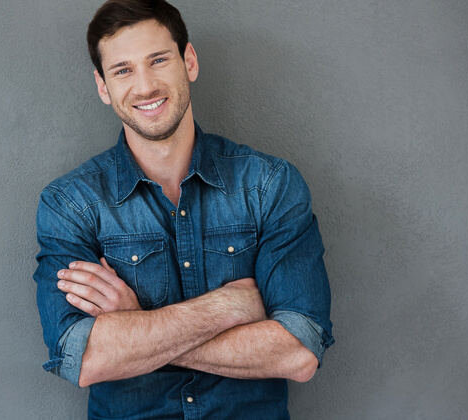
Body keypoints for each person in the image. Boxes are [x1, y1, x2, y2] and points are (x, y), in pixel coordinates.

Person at [33, 0, 334, 418]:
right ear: (103, 87)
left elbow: (298, 352)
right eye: (122, 70)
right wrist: (227, 308)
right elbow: (83, 358)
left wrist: (137, 324)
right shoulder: (71, 203)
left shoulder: (268, 184)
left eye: (158, 60)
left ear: (188, 61)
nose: (145, 86)